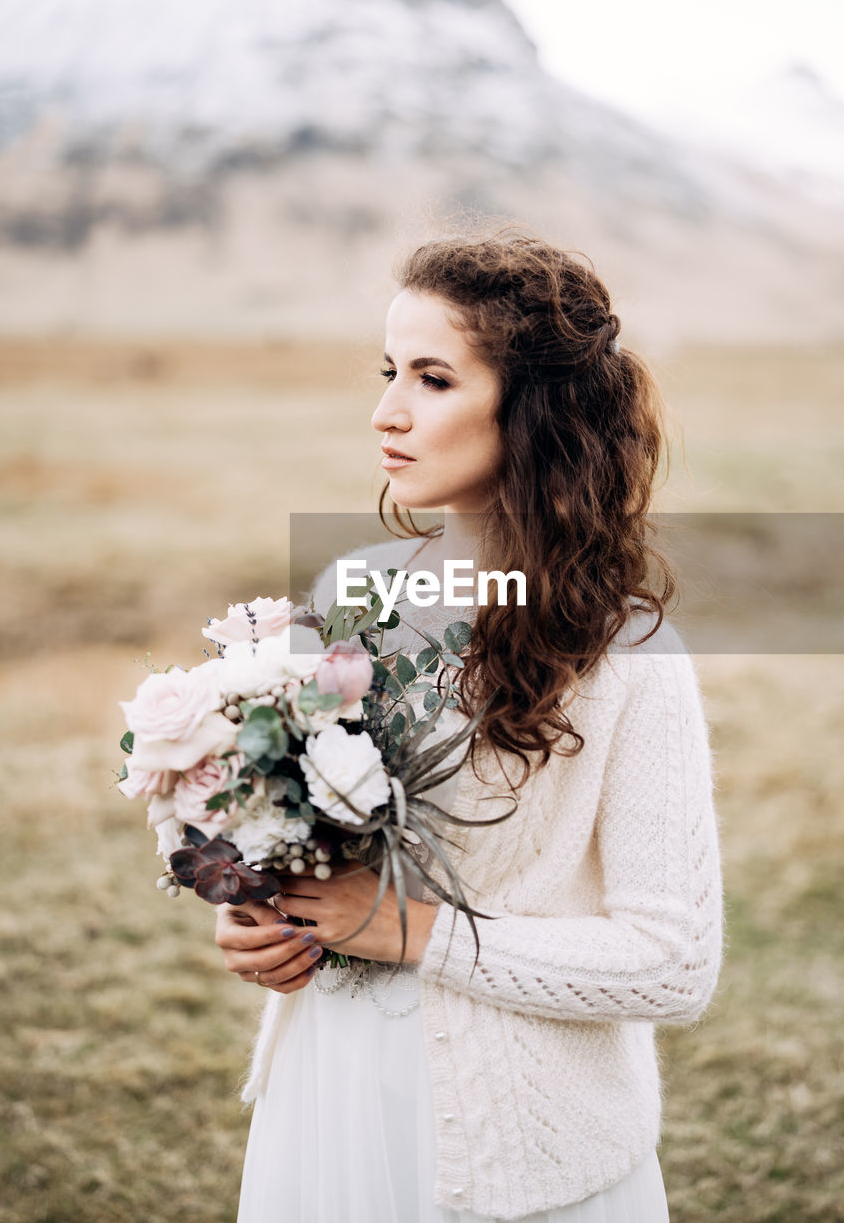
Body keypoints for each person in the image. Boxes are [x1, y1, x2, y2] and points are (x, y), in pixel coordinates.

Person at [214, 229, 724, 1222]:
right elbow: (309, 826)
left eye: (434, 378)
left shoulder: (628, 651)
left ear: (533, 408)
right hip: (330, 1080)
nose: (386, 411)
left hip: (518, 1133)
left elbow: (672, 962)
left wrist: (412, 930)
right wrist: (253, 906)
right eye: (388, 370)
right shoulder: (350, 590)